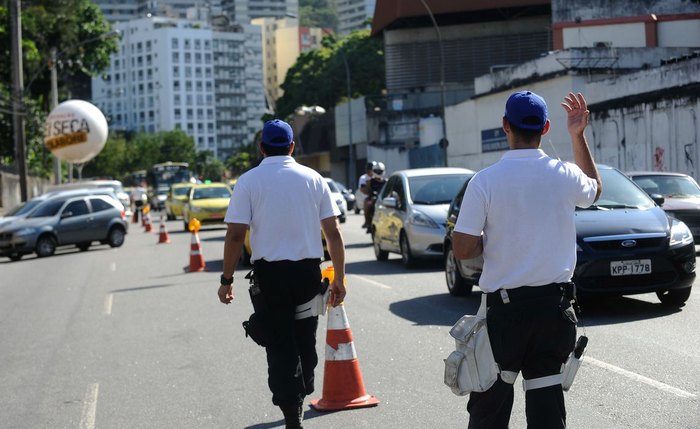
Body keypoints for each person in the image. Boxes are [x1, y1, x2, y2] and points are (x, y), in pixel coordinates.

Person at [452, 91, 602, 429]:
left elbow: (462, 249)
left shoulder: (484, 182)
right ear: (546, 128)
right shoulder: (564, 174)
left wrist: (491, 244)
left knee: (489, 408)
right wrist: (578, 135)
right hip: (555, 309)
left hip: (505, 313)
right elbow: (595, 189)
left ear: (506, 125)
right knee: (547, 410)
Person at [217, 119, 347, 429]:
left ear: (261, 148)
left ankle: (292, 410)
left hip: (271, 278)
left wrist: (226, 280)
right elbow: (334, 233)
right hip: (307, 275)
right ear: (292, 146)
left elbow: (235, 236)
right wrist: (340, 279)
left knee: (279, 343)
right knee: (304, 339)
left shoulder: (248, 181)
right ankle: (300, 396)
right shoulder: (313, 179)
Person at [362, 162, 386, 233]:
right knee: (367, 204)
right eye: (376, 171)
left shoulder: (385, 181)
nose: (378, 172)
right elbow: (366, 190)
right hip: (372, 198)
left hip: (382, 200)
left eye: (379, 171)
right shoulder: (370, 181)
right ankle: (368, 222)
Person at [358, 162, 376, 228]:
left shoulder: (377, 176)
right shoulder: (363, 178)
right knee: (367, 204)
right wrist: (369, 183)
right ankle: (367, 221)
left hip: (378, 196)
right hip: (368, 197)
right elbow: (363, 190)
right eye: (372, 169)